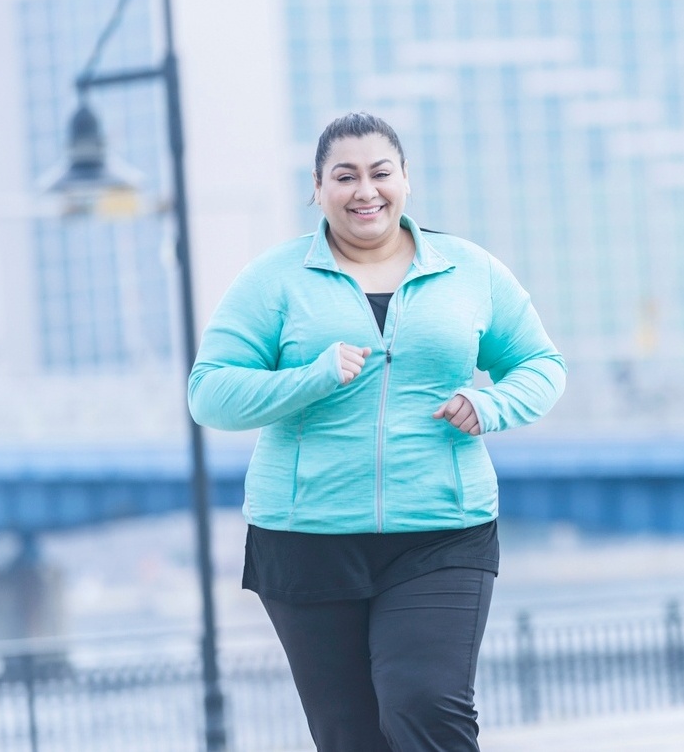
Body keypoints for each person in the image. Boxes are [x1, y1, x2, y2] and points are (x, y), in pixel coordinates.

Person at [187, 112, 566, 752]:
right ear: (317, 187)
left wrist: (492, 404)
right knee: (349, 735)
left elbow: (541, 364)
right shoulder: (276, 280)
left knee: (427, 707)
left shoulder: (469, 271)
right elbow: (210, 393)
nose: (366, 190)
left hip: (442, 529)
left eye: (380, 173)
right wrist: (310, 378)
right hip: (305, 535)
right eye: (346, 176)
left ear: (405, 181)